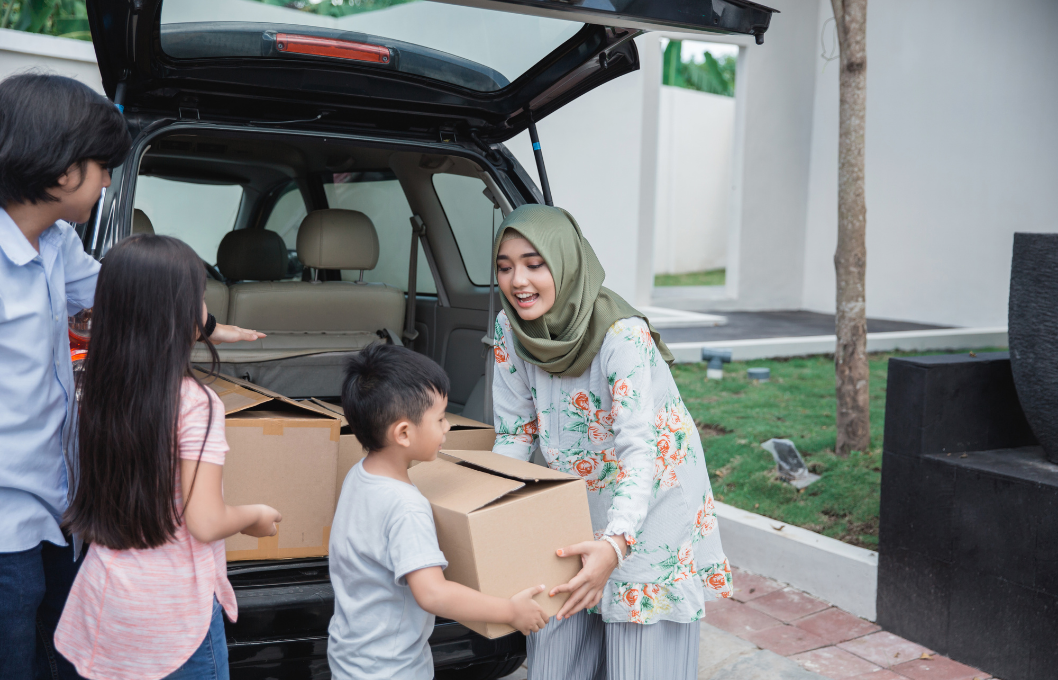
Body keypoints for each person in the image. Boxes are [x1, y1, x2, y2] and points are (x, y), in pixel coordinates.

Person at [0, 73, 263, 679]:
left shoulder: (57, 241)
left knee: (69, 659)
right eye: (103, 167)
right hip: (7, 526)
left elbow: (123, 294)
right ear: (64, 172)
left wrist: (202, 321)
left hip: (62, 511)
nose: (110, 182)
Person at [490, 205, 732, 680]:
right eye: (504, 266)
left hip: (652, 501)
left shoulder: (622, 336)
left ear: (564, 262)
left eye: (535, 263)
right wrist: (494, 514)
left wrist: (616, 543)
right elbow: (516, 433)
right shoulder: (510, 330)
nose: (518, 280)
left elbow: (641, 450)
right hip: (573, 502)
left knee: (639, 664)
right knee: (557, 657)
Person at [52, 234, 283, 679]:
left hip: (107, 598)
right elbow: (205, 521)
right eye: (198, 297)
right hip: (175, 615)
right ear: (177, 313)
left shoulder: (99, 388)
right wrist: (254, 515)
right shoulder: (197, 403)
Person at [327, 343, 549, 680]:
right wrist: (510, 611)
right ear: (403, 433)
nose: (447, 427)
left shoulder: (359, 476)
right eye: (440, 418)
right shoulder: (406, 506)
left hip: (351, 657)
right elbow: (433, 593)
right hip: (393, 669)